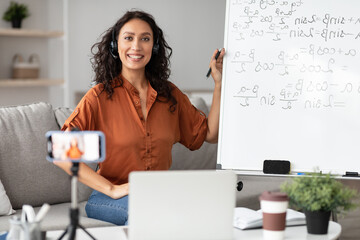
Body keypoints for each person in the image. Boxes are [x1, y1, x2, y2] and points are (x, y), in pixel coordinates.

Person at [54, 10, 225, 225]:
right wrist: (112, 189)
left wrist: (218, 84)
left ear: (154, 47)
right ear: (116, 46)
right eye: (128, 38)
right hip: (109, 199)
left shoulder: (170, 96)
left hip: (158, 195)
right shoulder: (98, 97)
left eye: (145, 39)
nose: (136, 46)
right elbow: (60, 152)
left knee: (207, 214)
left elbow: (210, 134)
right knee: (150, 217)